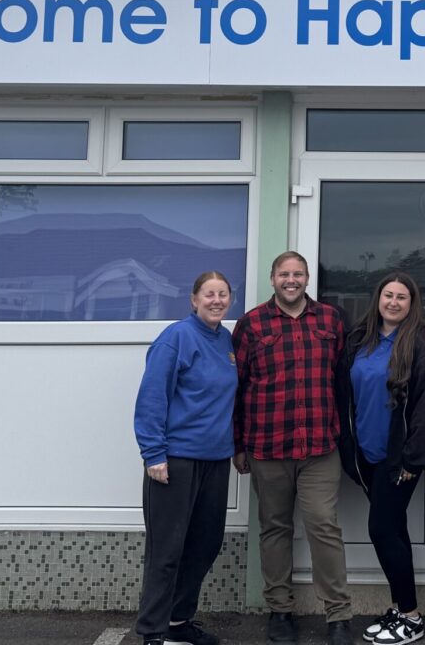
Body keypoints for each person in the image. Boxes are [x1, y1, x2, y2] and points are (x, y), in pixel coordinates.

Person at [232, 252, 354, 645]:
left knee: (323, 526)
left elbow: (343, 381)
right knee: (275, 528)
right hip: (267, 446)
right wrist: (237, 444)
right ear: (272, 278)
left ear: (307, 279)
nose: (291, 280)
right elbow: (235, 386)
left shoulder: (332, 320)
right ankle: (280, 610)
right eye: (284, 274)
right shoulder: (251, 323)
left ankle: (338, 614)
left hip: (320, 445)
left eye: (298, 274)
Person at [337, 272, 425, 645]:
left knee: (381, 530)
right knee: (395, 530)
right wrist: (347, 451)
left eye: (402, 297)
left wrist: (412, 462)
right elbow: (344, 396)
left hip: (398, 460)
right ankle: (402, 609)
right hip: (365, 455)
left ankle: (411, 617)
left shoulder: (421, 344)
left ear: (412, 303)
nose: (394, 302)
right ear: (378, 298)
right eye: (388, 295)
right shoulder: (358, 339)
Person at [132, 270, 238, 645]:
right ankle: (153, 632)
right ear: (193, 300)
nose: (216, 301)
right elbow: (152, 397)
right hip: (175, 460)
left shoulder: (226, 340)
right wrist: (153, 453)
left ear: (230, 299)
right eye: (208, 294)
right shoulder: (176, 337)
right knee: (167, 550)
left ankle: (178, 622)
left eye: (222, 294)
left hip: (215, 460)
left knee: (205, 543)